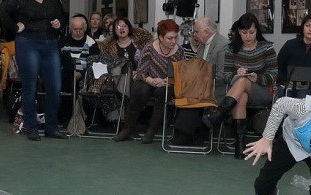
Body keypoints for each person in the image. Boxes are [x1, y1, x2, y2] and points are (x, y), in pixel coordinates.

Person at [202, 13, 277, 159]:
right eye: (244, 32)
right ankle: (240, 145)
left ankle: (219, 114)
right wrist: (236, 74)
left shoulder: (267, 48)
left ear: (257, 31)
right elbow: (226, 76)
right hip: (238, 93)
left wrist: (257, 78)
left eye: (251, 32)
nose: (248, 36)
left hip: (262, 92)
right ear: (238, 32)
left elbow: (274, 75)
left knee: (242, 82)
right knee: (241, 95)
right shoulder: (231, 49)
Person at [0, 0, 66, 141]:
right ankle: (31, 127)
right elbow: (0, 11)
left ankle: (51, 127)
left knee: (55, 87)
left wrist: (59, 24)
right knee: (30, 86)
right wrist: (14, 27)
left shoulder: (53, 1)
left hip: (51, 44)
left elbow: (62, 18)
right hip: (27, 42)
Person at [113, 19, 183, 144]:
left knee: (163, 93)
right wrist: (152, 80)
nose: (173, 41)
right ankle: (127, 129)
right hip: (147, 78)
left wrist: (168, 80)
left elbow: (181, 73)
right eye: (169, 38)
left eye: (175, 37)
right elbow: (141, 71)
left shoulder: (179, 52)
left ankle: (151, 131)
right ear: (160, 37)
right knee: (140, 90)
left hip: (167, 82)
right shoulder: (149, 48)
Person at [169, 16, 229, 146]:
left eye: (196, 31)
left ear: (206, 32)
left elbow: (222, 75)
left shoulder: (223, 45)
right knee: (186, 91)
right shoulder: (203, 45)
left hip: (217, 89)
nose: (194, 34)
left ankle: (185, 134)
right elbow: (196, 68)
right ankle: (185, 133)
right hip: (200, 87)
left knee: (192, 94)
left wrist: (200, 82)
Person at [276, 14, 311, 99]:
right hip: (287, 86)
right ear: (303, 28)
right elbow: (278, 67)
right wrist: (285, 81)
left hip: (309, 90)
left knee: (303, 97)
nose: (310, 29)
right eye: (307, 25)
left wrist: (307, 84)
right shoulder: (290, 45)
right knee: (285, 100)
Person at [58, 14, 95, 125]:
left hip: (86, 74)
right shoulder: (63, 42)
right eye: (75, 29)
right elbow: (60, 60)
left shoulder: (91, 42)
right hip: (66, 73)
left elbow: (94, 62)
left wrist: (81, 72)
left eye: (80, 29)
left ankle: (82, 119)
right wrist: (73, 71)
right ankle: (67, 118)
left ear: (84, 28)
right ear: (71, 29)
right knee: (65, 82)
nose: (78, 32)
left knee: (81, 84)